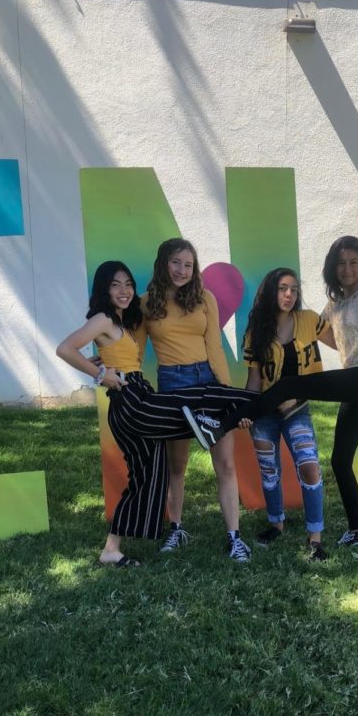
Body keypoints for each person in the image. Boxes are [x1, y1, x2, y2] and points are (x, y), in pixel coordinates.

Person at [183, 236, 358, 548]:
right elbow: (332, 339)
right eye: (341, 263)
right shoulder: (333, 306)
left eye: (353, 262)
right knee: (340, 462)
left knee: (289, 385)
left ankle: (220, 427)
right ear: (332, 268)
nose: (347, 269)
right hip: (355, 382)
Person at [56, 260, 255, 566]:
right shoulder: (102, 319)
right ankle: (240, 409)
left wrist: (101, 363)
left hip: (136, 393)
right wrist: (101, 375)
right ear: (103, 289)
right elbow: (65, 348)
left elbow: (107, 352)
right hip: (131, 400)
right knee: (196, 400)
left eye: (128, 284)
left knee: (148, 476)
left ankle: (112, 549)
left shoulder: (119, 323)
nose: (123, 291)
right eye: (115, 284)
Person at [142, 238, 250, 562]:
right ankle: (176, 530)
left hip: (208, 381)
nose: (182, 270)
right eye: (176, 262)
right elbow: (131, 350)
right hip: (172, 385)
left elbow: (215, 347)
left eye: (188, 264)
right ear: (164, 263)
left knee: (226, 464)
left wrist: (229, 395)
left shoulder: (205, 298)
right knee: (177, 466)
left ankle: (234, 538)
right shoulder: (147, 303)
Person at [243, 267, 329, 562]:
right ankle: (275, 523)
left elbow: (342, 339)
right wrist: (248, 411)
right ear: (271, 292)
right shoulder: (256, 330)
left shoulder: (308, 320)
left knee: (309, 467)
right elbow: (254, 380)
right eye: (282, 288)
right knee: (269, 471)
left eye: (293, 288)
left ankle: (315, 536)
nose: (289, 294)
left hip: (298, 409)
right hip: (265, 412)